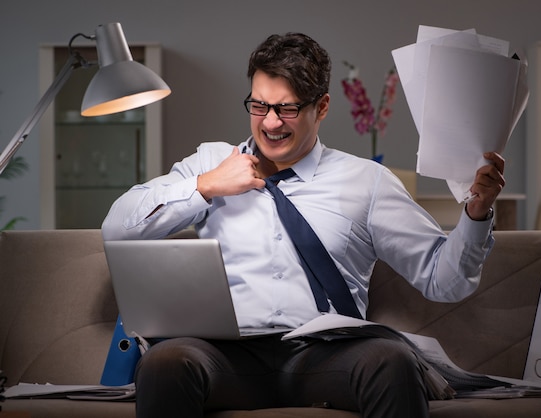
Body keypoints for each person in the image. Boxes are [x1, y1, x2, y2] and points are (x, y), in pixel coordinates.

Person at [101, 32, 505, 418]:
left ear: (322, 107)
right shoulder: (211, 163)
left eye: (288, 108)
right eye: (259, 106)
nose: (271, 123)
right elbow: (117, 229)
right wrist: (205, 186)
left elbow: (444, 281)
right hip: (224, 354)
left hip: (326, 354)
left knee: (392, 360)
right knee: (164, 362)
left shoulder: (367, 182)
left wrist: (476, 214)